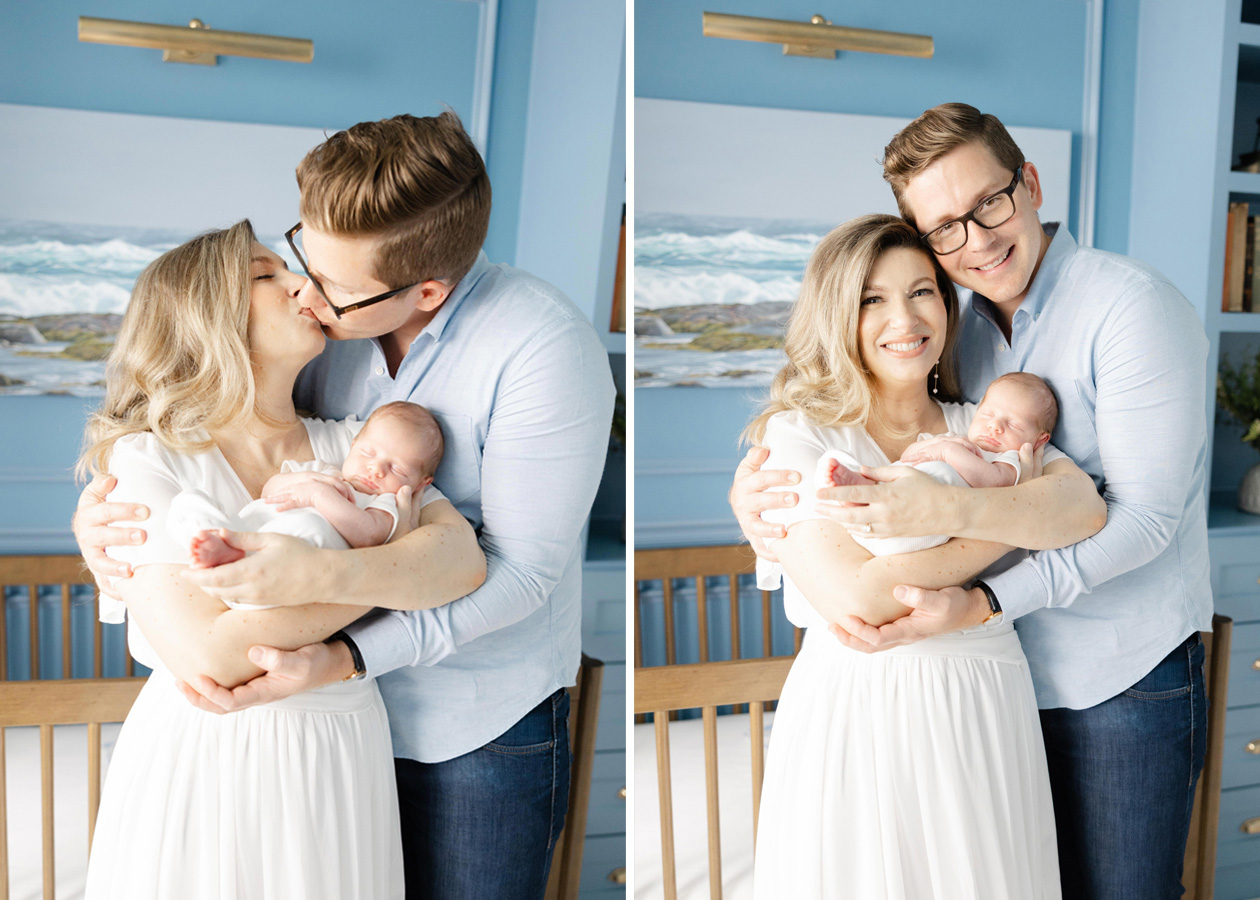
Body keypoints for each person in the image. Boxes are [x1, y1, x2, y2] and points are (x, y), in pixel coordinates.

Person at [74, 112, 615, 900]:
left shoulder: (541, 349)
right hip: (300, 726)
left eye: (331, 287)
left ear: (424, 289)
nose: (309, 293)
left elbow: (512, 569)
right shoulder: (323, 336)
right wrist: (103, 536)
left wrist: (324, 618)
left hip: (470, 722)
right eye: (297, 260)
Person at [731, 103, 1212, 899]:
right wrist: (757, 513)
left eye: (988, 204)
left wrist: (978, 584)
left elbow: (1139, 519)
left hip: (1118, 677)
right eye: (946, 229)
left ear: (1028, 182)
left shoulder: (1131, 308)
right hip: (1006, 682)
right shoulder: (962, 334)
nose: (978, 241)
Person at [77, 221, 485, 900]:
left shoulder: (359, 445)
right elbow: (212, 656)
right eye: (266, 275)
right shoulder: (146, 458)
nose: (304, 284)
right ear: (205, 314)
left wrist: (321, 580)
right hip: (204, 752)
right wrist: (386, 576)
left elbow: (460, 564)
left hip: (338, 754)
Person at [748, 213, 1104, 898]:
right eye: (872, 299)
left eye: (923, 292)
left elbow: (1084, 509)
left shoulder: (987, 424)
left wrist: (960, 512)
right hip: (852, 710)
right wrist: (1011, 522)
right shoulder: (796, 438)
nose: (904, 318)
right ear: (838, 316)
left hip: (981, 699)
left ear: (947, 305)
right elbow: (860, 599)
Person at [178, 400, 444, 569]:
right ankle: (217, 544)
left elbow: (368, 535)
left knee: (312, 526)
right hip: (247, 528)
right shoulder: (323, 471)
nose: (376, 469)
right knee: (189, 501)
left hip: (291, 561)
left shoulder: (386, 503)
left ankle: (244, 562)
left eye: (396, 468)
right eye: (368, 453)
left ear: (422, 482)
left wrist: (318, 496)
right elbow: (269, 490)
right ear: (353, 446)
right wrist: (307, 481)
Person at [818, 371, 1056, 555]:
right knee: (835, 458)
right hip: (893, 503)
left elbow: (994, 482)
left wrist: (946, 452)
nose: (995, 426)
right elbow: (909, 455)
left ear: (1039, 439)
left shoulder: (1009, 458)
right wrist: (936, 447)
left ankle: (867, 497)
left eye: (1013, 425)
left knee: (942, 472)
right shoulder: (954, 438)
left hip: (922, 527)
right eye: (987, 415)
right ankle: (864, 490)